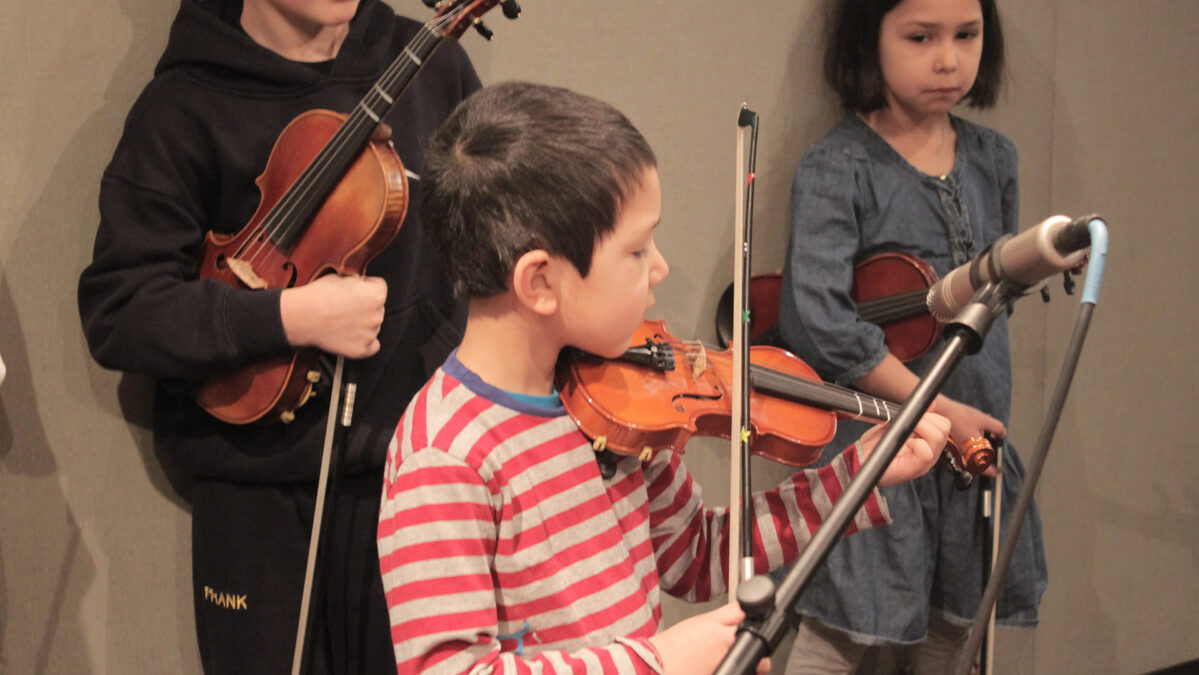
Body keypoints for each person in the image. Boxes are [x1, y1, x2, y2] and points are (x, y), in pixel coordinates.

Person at [375, 80, 951, 675]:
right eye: (636, 251)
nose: (660, 267)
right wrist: (660, 662)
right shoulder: (444, 459)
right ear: (539, 282)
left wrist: (854, 477)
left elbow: (697, 554)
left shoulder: (615, 402)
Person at [77, 0, 479, 671]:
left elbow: (502, 250)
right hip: (254, 503)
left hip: (417, 484)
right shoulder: (183, 106)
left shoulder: (433, 67)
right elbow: (121, 310)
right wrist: (290, 317)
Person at [774, 0, 1049, 672]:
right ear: (871, 37)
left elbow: (994, 302)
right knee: (840, 633)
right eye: (921, 37)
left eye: (967, 35)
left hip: (970, 444)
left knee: (953, 630)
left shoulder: (994, 159)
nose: (949, 60)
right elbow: (822, 324)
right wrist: (941, 413)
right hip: (879, 446)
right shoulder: (839, 167)